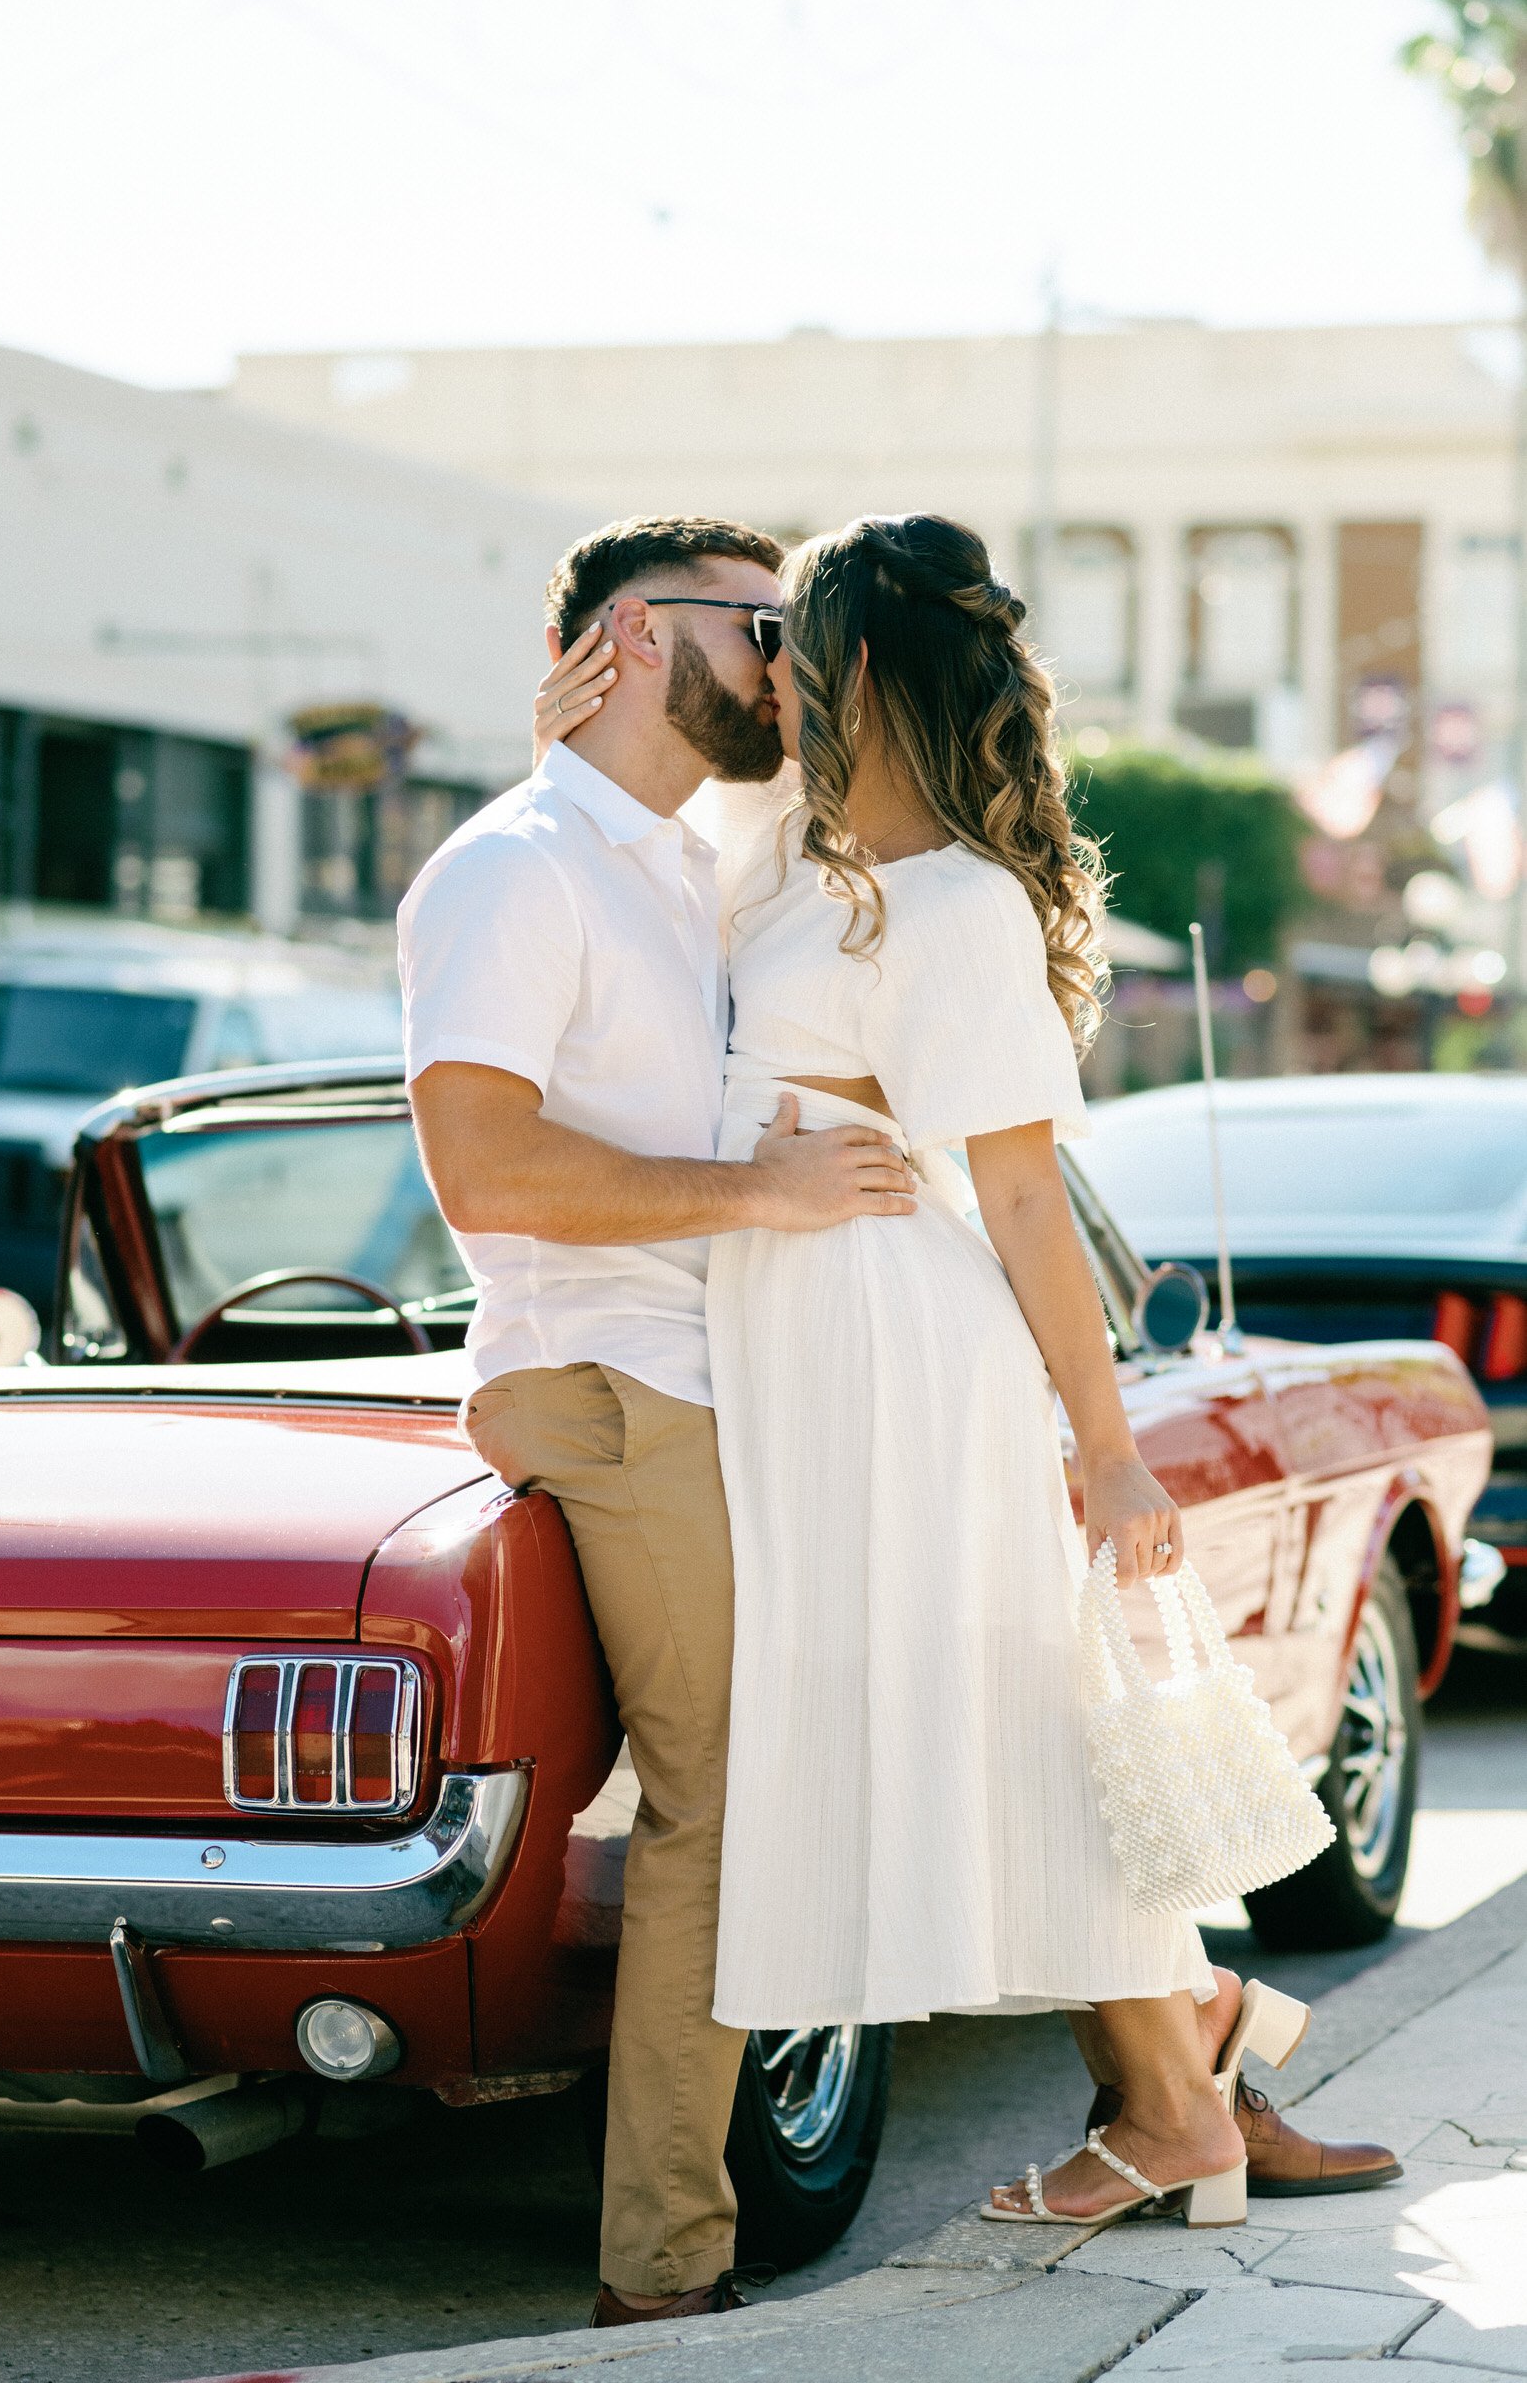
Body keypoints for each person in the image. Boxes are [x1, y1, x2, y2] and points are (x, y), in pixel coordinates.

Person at [535, 511, 1398, 2233]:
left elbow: (1015, 1192)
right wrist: (557, 738)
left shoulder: (954, 901)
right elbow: (619, 846)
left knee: (998, 1712)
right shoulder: (793, 853)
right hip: (794, 1329)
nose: (764, 669)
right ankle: (1191, 2060)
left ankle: (1178, 2095)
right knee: (967, 1715)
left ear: (852, 668)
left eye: (793, 641)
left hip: (897, 1347)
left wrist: (1111, 1446)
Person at [396, 517, 918, 2329]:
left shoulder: (680, 859)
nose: (790, 661)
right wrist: (755, 1194)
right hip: (618, 1377)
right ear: (633, 634)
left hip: (713, 1375)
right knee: (725, 1802)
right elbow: (483, 1164)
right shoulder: (519, 870)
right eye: (762, 627)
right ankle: (663, 2275)